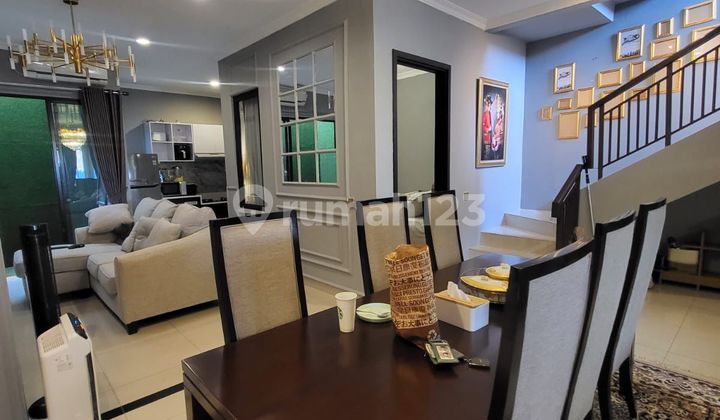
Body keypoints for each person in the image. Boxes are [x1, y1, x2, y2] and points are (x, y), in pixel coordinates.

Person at [492, 96, 505, 160]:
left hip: (499, 141)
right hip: (496, 140)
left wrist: (497, 137)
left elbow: (501, 134)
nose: (497, 115)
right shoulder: (497, 123)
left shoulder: (501, 123)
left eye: (498, 113)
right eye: (497, 113)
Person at [481, 95, 493, 160]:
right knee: (486, 152)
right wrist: (488, 129)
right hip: (486, 137)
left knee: (489, 152)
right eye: (488, 105)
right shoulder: (485, 114)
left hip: (490, 136)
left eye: (490, 105)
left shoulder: (490, 113)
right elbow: (482, 126)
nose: (490, 107)